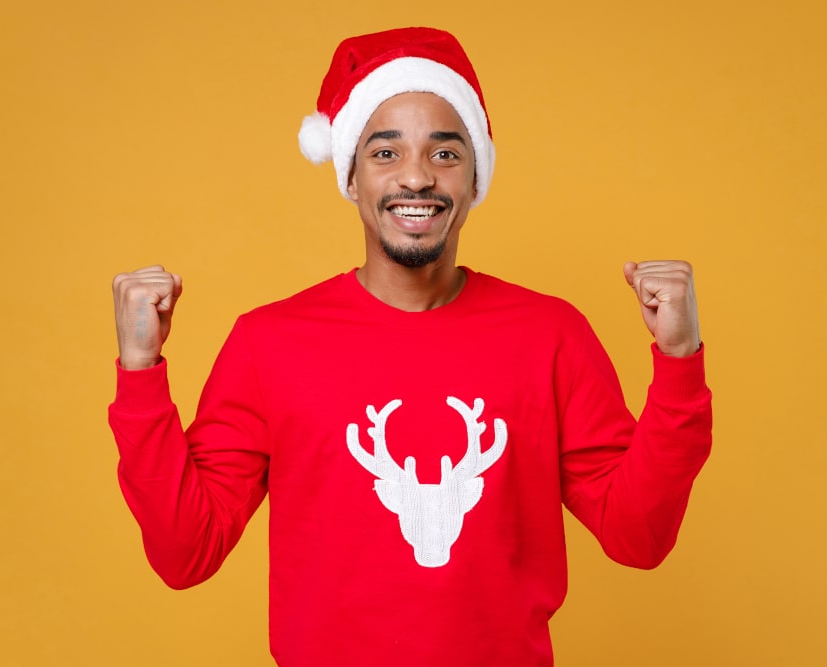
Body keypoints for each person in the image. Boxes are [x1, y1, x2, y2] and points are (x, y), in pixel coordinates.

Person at [109, 27, 711, 667]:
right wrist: (140, 374)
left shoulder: (552, 335)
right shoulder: (268, 344)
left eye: (446, 154)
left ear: (475, 175)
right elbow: (185, 553)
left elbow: (637, 536)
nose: (417, 178)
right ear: (351, 174)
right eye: (386, 153)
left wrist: (679, 364)